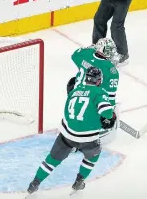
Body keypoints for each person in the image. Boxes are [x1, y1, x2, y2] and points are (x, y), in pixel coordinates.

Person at [27, 67, 116, 195]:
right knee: (93, 156)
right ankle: (79, 181)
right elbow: (107, 113)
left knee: (52, 160)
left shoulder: (75, 91)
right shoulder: (99, 92)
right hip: (87, 138)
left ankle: (34, 183)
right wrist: (112, 117)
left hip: (67, 134)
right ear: (98, 81)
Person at [67, 38, 120, 145]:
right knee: (103, 105)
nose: (113, 53)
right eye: (111, 50)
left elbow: (75, 55)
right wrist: (110, 114)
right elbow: (110, 98)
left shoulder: (85, 54)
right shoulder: (111, 71)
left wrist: (89, 49)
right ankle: (95, 131)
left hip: (75, 95)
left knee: (73, 81)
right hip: (91, 99)